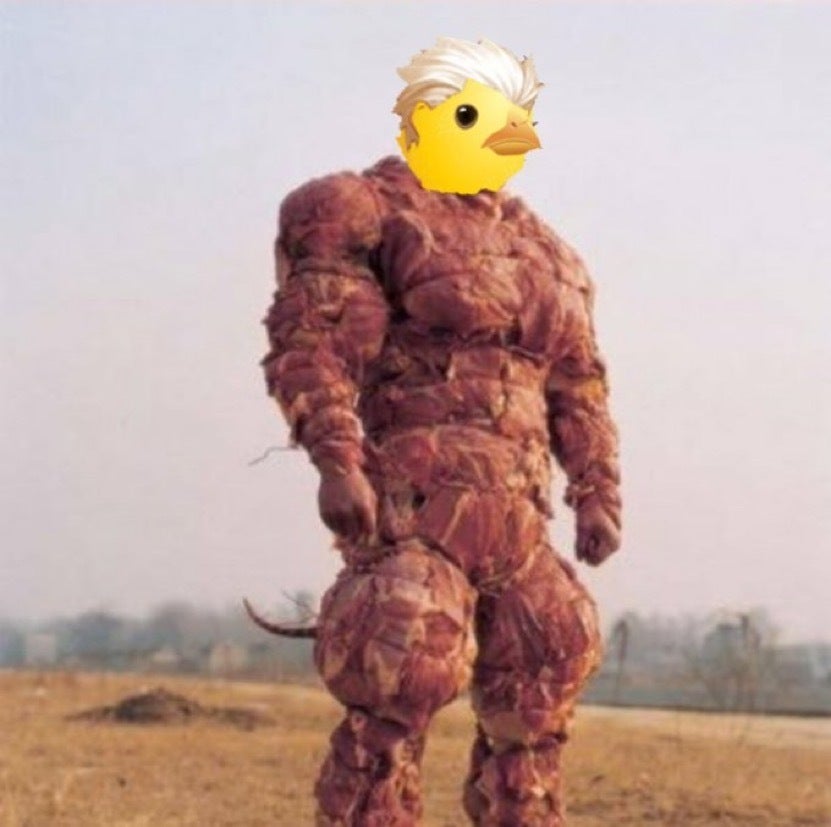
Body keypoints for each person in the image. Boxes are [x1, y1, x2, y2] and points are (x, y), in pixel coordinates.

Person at [260, 37, 622, 826]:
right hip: (416, 504)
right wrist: (336, 458)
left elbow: (577, 383)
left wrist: (596, 490)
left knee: (551, 653)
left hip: (519, 518)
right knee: (401, 659)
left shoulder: (548, 255)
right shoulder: (363, 209)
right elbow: (315, 335)